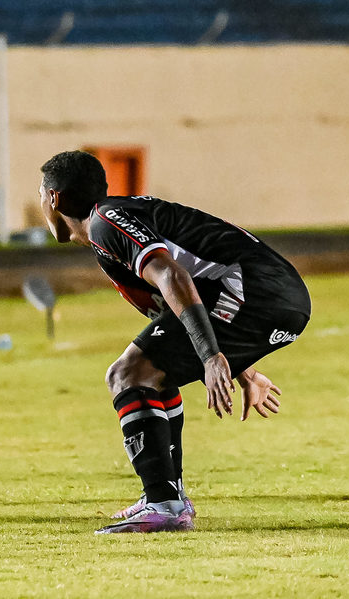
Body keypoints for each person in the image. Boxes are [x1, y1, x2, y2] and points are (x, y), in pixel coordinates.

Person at [37, 150, 311, 534]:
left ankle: (164, 504)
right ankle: (166, 497)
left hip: (254, 291)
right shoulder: (112, 225)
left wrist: (214, 357)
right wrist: (242, 370)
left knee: (127, 374)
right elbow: (174, 308)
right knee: (151, 373)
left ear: (54, 199)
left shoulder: (104, 223)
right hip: (272, 295)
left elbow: (172, 276)